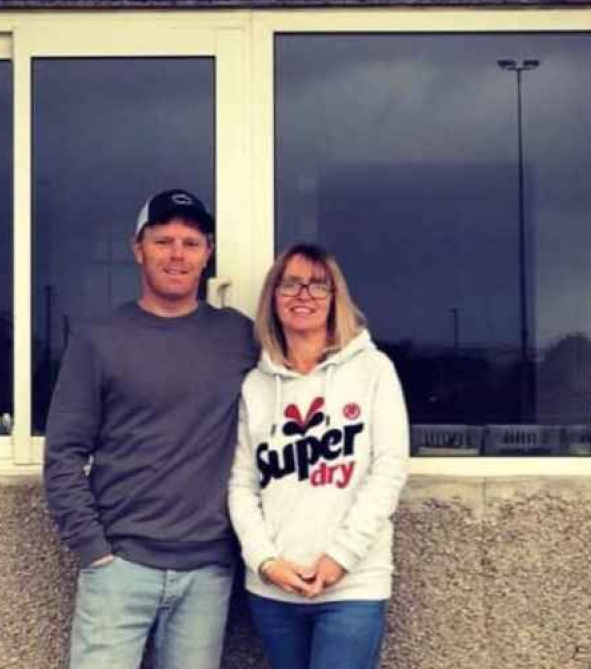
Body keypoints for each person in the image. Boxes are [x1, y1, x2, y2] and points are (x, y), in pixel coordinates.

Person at [44, 189, 257, 669]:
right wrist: (94, 550)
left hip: (207, 571)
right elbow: (63, 453)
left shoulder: (239, 337)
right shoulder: (99, 339)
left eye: (190, 242)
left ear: (207, 254)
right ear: (137, 249)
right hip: (120, 567)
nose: (177, 254)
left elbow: (301, 378)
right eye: (163, 241)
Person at [228, 243, 410, 669]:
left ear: (335, 298)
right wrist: (265, 562)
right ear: (273, 297)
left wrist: (339, 560)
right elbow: (241, 484)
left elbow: (388, 469)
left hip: (352, 589)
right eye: (290, 284)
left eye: (317, 285)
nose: (303, 295)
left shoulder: (373, 369)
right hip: (274, 591)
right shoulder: (256, 385)